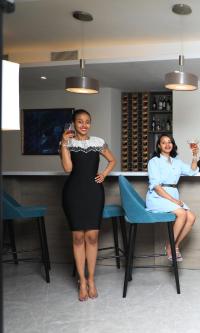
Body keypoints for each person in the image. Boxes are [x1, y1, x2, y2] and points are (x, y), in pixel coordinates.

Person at [60, 109, 116, 301]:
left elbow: (112, 160)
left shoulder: (98, 142)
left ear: (90, 124)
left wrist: (104, 174)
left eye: (87, 122)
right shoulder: (68, 143)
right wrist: (64, 144)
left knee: (92, 237)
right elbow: (68, 168)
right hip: (73, 193)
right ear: (74, 124)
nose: (84, 125)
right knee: (77, 237)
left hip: (94, 193)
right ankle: (81, 281)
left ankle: (91, 279)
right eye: (80, 122)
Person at [146, 134, 199, 262]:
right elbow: (157, 187)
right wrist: (175, 201)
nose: (167, 144)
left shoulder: (177, 162)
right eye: (163, 142)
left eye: (169, 142)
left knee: (191, 217)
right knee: (181, 213)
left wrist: (195, 155)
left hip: (172, 195)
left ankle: (173, 245)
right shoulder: (154, 161)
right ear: (159, 146)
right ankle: (170, 247)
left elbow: (192, 171)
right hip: (157, 196)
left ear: (173, 145)